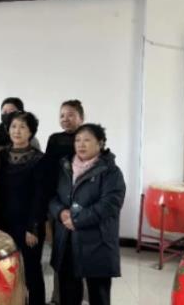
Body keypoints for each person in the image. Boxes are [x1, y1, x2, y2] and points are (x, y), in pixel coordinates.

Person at [49, 124, 126, 305]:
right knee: (68, 294)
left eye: (87, 140)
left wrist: (77, 220)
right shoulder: (64, 166)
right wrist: (60, 212)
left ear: (100, 143)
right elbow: (52, 197)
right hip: (67, 240)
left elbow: (110, 204)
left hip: (97, 242)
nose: (81, 144)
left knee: (98, 295)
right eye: (77, 140)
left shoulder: (110, 171)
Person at [0, 111, 46, 305]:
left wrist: (33, 227)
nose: (17, 131)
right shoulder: (1, 155)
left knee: (32, 270)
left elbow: (41, 196)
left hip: (28, 224)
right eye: (13, 126)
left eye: (22, 127)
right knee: (5, 268)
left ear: (31, 132)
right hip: (3, 222)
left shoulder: (39, 159)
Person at [45, 100, 86, 305]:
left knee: (81, 253)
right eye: (62, 115)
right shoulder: (55, 139)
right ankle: (58, 296)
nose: (65, 119)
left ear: (81, 118)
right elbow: (48, 171)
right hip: (59, 202)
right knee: (59, 252)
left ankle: (82, 297)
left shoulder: (87, 137)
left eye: (70, 115)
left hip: (82, 203)